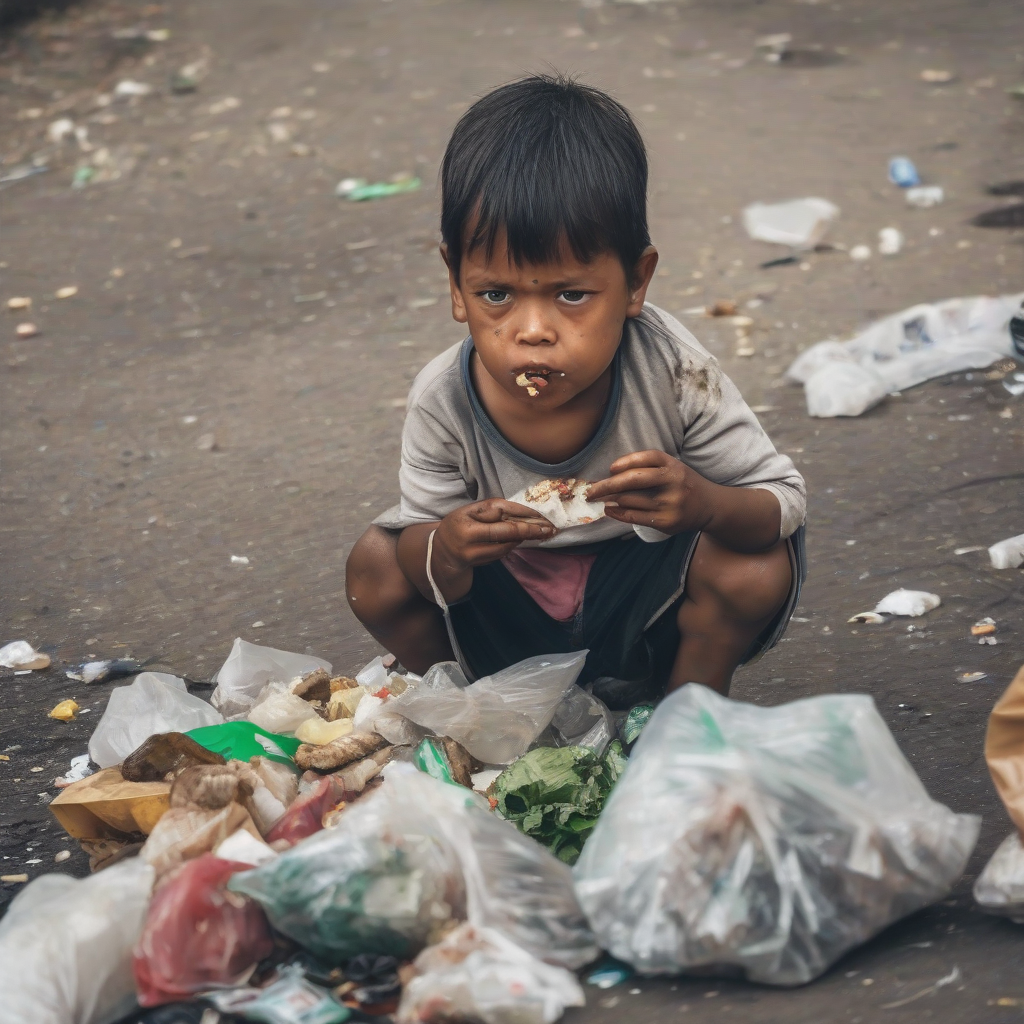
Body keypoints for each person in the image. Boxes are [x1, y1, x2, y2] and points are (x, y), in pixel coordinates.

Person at [345, 74, 806, 706]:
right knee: (376, 564)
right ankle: (489, 716)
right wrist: (449, 547)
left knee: (754, 564)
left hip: (646, 607)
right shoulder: (444, 398)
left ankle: (683, 720)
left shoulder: (672, 371)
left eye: (571, 295)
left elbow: (780, 500)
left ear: (636, 283)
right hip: (511, 618)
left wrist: (706, 505)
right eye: (496, 295)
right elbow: (421, 562)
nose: (532, 333)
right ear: (455, 284)